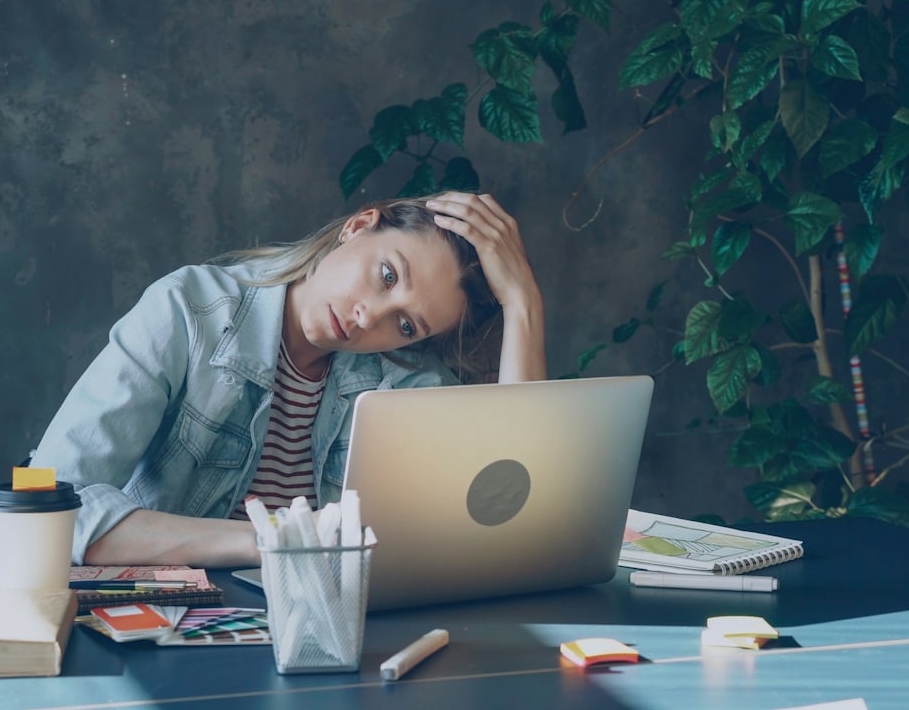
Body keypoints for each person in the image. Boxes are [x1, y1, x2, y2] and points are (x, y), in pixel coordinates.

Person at [29, 191, 546, 569]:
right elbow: (42, 502)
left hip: (328, 640)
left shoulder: (406, 385)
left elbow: (510, 526)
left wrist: (522, 305)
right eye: (388, 275)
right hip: (168, 632)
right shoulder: (188, 309)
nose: (371, 317)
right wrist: (270, 540)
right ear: (359, 226)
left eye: (406, 324)